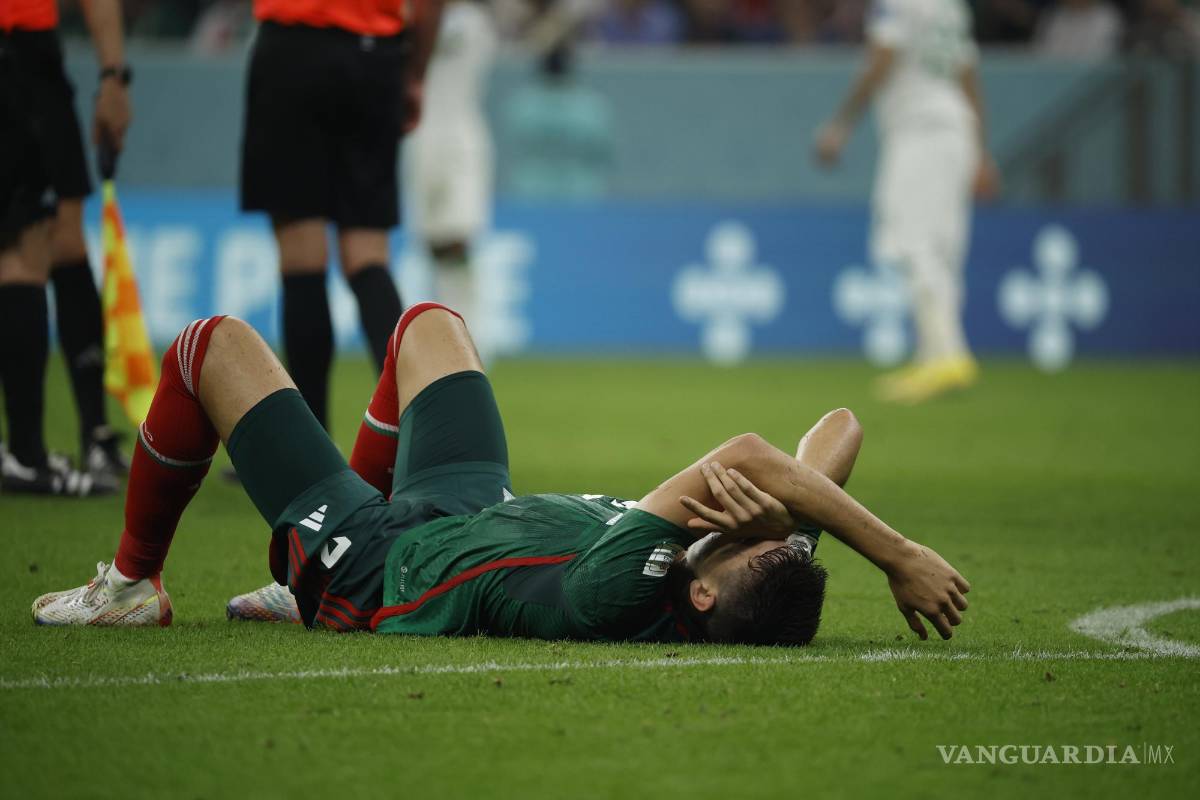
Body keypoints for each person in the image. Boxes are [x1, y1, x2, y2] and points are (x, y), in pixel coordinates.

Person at [32, 304, 970, 644]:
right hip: (472, 514)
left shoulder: (623, 588)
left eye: (740, 547)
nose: (749, 528)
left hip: (386, 570)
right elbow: (836, 433)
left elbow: (758, 453)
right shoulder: (745, 564)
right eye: (771, 534)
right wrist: (791, 527)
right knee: (427, 328)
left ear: (704, 599)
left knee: (206, 348)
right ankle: (286, 579)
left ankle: (132, 583)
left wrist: (897, 555)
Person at [239, 0, 444, 430]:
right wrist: (416, 74)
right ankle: (422, 433)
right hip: (375, 57)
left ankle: (310, 451)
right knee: (368, 256)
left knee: (301, 257)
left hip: (292, 49)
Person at [815, 0, 999, 404]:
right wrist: (981, 152)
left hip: (919, 131)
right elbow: (967, 74)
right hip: (956, 130)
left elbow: (883, 55)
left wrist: (842, 123)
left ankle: (947, 355)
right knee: (943, 248)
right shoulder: (951, 7)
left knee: (913, 241)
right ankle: (934, 356)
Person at [0, 0, 132, 496]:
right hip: (18, 49)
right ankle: (27, 454)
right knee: (24, 245)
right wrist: (114, 75)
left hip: (29, 58)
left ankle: (92, 433)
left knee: (65, 237)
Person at [402, 0, 497, 338]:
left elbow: (443, 34)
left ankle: (471, 331)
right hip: (420, 140)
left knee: (458, 237)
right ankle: (442, 333)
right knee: (432, 242)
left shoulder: (472, 22)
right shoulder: (414, 19)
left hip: (461, 141)